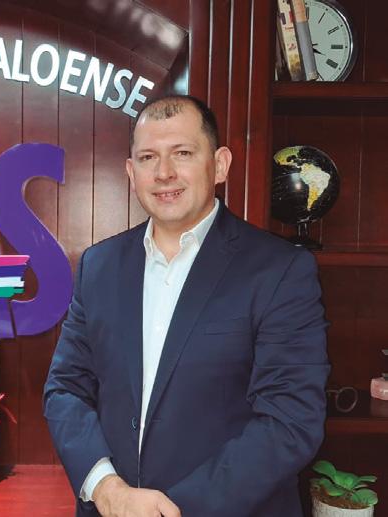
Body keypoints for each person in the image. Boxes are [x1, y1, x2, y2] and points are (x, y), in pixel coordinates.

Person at [43, 95, 330, 517]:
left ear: (220, 165)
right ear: (131, 172)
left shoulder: (280, 270)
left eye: (182, 153)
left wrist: (170, 510)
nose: (164, 173)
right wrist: (106, 489)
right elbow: (66, 389)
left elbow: (290, 420)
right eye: (148, 157)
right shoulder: (98, 266)